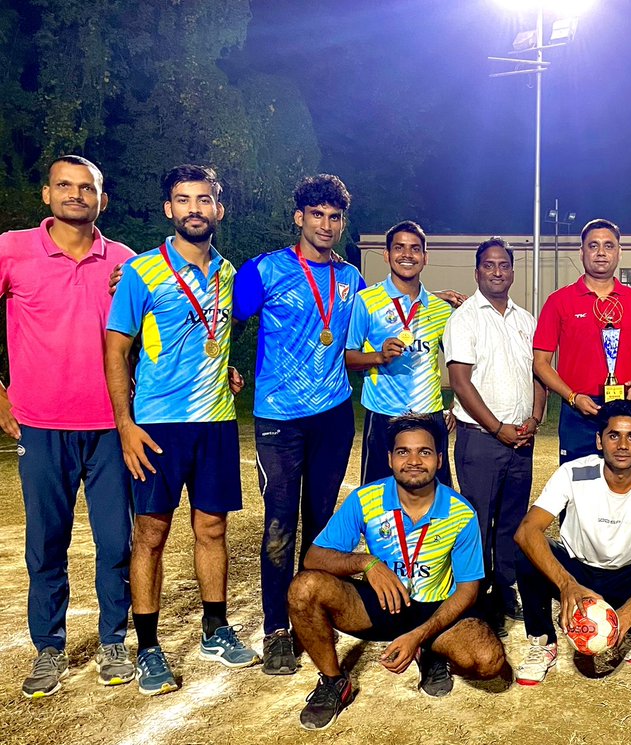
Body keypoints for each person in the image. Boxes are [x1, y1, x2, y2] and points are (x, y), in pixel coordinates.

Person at [105, 164, 259, 696]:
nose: (195, 208)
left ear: (219, 209)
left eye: (204, 199)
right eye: (184, 199)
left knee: (212, 528)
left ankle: (215, 628)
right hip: (157, 424)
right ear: (169, 209)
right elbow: (116, 350)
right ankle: (148, 648)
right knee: (151, 534)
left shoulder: (229, 273)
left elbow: (213, 336)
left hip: (215, 421)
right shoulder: (140, 271)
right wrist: (125, 423)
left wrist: (227, 369)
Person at [0, 155, 135, 697]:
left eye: (87, 187)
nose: (76, 194)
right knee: (46, 544)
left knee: (116, 542)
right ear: (46, 193)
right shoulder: (12, 249)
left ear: (103, 199)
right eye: (65, 185)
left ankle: (114, 641)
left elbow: (153, 336)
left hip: (111, 427)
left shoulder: (124, 260)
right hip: (40, 426)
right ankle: (49, 649)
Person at [288, 415, 508, 730]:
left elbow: (468, 590)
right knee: (304, 588)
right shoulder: (366, 499)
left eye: (424, 452)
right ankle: (334, 682)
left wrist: (419, 635)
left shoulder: (460, 513)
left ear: (439, 460)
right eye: (404, 452)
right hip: (380, 604)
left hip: (435, 609)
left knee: (489, 661)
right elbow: (314, 557)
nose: (414, 461)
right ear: (390, 459)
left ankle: (429, 651)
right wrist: (366, 563)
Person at [232, 174, 364, 675]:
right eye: (317, 215)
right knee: (279, 524)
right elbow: (222, 319)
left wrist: (436, 300)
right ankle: (276, 630)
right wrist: (224, 365)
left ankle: (313, 610)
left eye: (335, 217)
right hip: (279, 420)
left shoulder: (351, 278)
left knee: (323, 522)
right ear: (299, 217)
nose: (326, 225)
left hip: (334, 416)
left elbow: (381, 321)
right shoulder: (264, 270)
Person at [512, 400, 631, 684]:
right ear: (599, 440)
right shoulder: (572, 473)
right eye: (613, 435)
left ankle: (622, 626)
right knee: (527, 553)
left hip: (627, 574)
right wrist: (566, 583)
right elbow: (526, 530)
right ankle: (543, 640)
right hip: (577, 569)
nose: (623, 445)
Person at [444, 237, 546, 631]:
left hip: (521, 439)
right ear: (477, 272)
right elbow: (460, 382)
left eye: (504, 265)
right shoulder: (465, 318)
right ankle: (476, 598)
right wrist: (496, 427)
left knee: (510, 521)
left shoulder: (526, 320)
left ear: (513, 271)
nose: (497, 272)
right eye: (489, 265)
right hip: (482, 439)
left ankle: (505, 588)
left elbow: (539, 373)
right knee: (477, 522)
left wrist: (534, 417)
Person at [533, 219, 631, 463]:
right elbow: (540, 363)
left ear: (619, 252)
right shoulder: (559, 301)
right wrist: (572, 397)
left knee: (624, 482)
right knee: (577, 481)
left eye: (608, 246)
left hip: (625, 409)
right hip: (578, 411)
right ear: (581, 252)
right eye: (593, 246)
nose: (601, 252)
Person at [345, 220, 453, 486]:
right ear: (386, 254)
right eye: (399, 247)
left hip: (429, 413)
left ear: (425, 257)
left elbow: (459, 364)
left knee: (435, 494)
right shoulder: (367, 301)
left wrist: (456, 407)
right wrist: (379, 357)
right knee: (378, 494)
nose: (407, 254)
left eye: (415, 249)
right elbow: (348, 357)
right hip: (384, 414)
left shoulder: (441, 309)